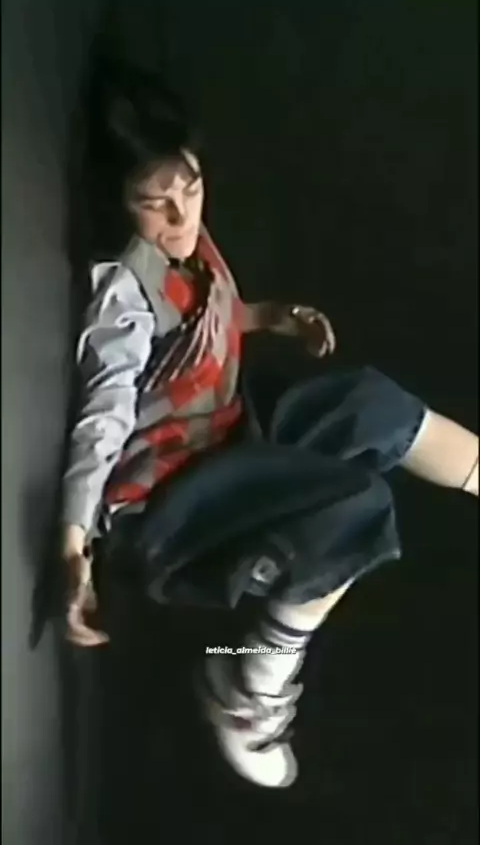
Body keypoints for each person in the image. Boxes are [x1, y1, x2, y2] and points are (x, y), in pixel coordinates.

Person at [62, 59, 478, 789]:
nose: (181, 217)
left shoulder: (187, 242)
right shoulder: (124, 299)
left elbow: (205, 322)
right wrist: (73, 544)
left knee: (365, 405)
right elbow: (106, 411)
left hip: (230, 434)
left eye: (190, 190)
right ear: (119, 205)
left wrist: (267, 317)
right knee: (354, 505)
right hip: (173, 506)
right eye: (154, 204)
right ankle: (246, 689)